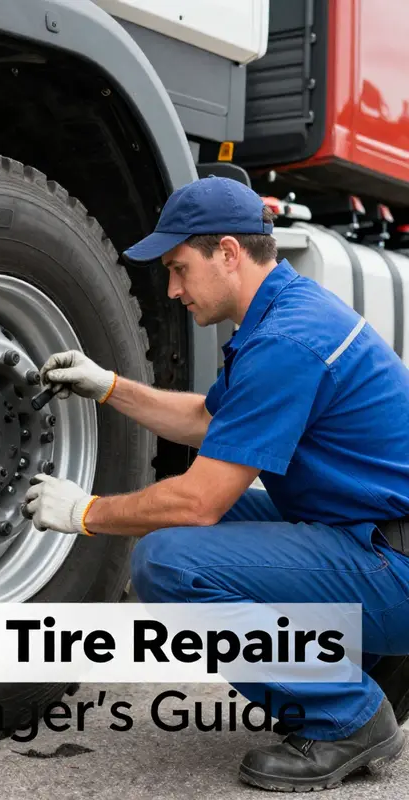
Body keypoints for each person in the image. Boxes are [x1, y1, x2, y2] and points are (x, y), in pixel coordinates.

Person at [22, 176, 409, 792]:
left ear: (228, 253)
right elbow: (209, 419)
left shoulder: (286, 341)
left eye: (179, 269)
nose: (173, 290)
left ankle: (348, 717)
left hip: (394, 564)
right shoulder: (286, 311)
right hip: (373, 536)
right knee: (197, 526)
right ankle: (379, 664)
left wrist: (84, 512)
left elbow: (199, 503)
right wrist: (109, 387)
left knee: (168, 560)